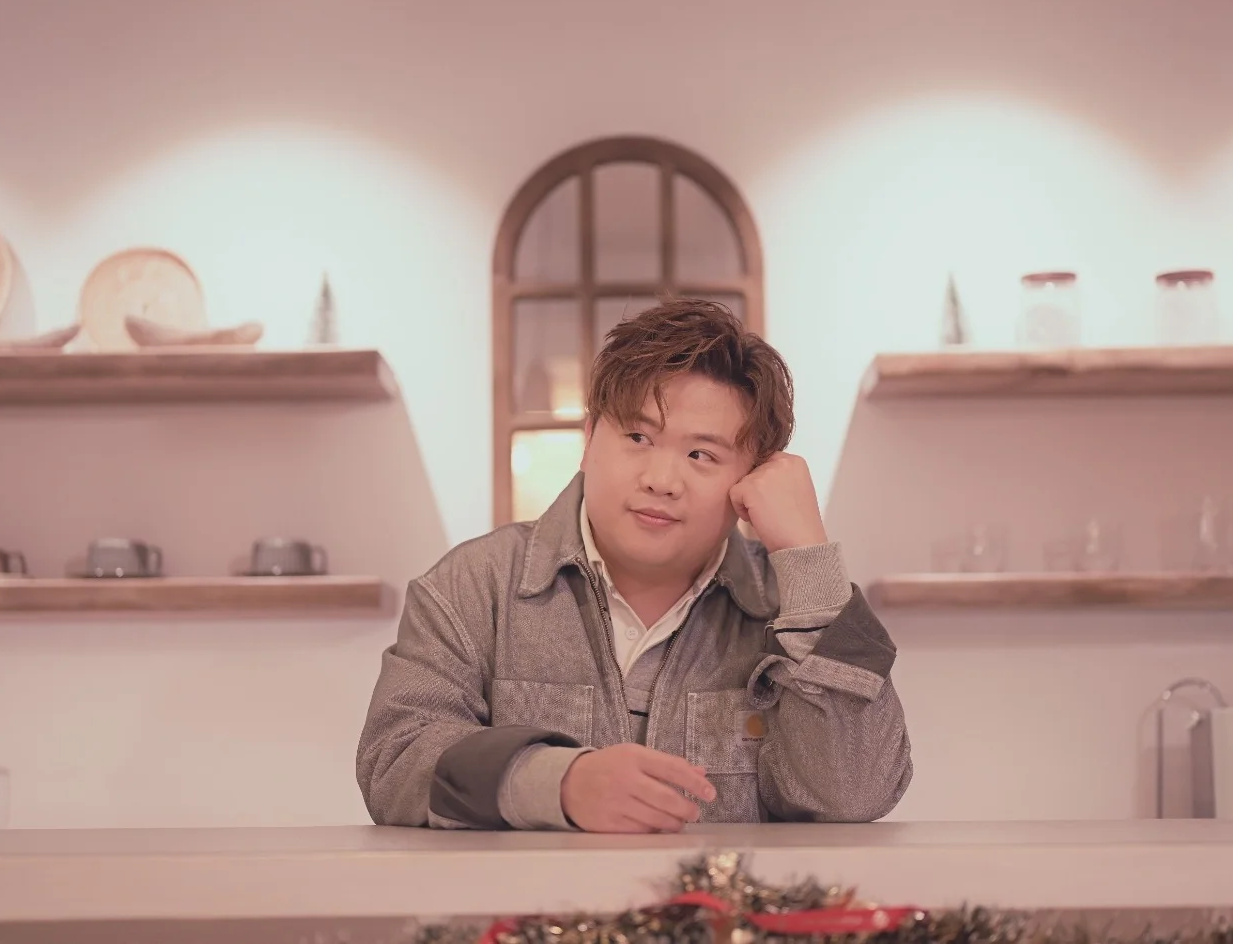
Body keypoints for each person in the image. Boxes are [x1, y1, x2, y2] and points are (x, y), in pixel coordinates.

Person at [357, 299, 911, 832]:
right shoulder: (472, 585)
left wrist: (809, 558)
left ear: (753, 477)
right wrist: (557, 783)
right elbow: (395, 759)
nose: (661, 480)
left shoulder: (788, 602)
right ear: (589, 437)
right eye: (638, 437)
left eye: (701, 455)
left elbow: (854, 793)